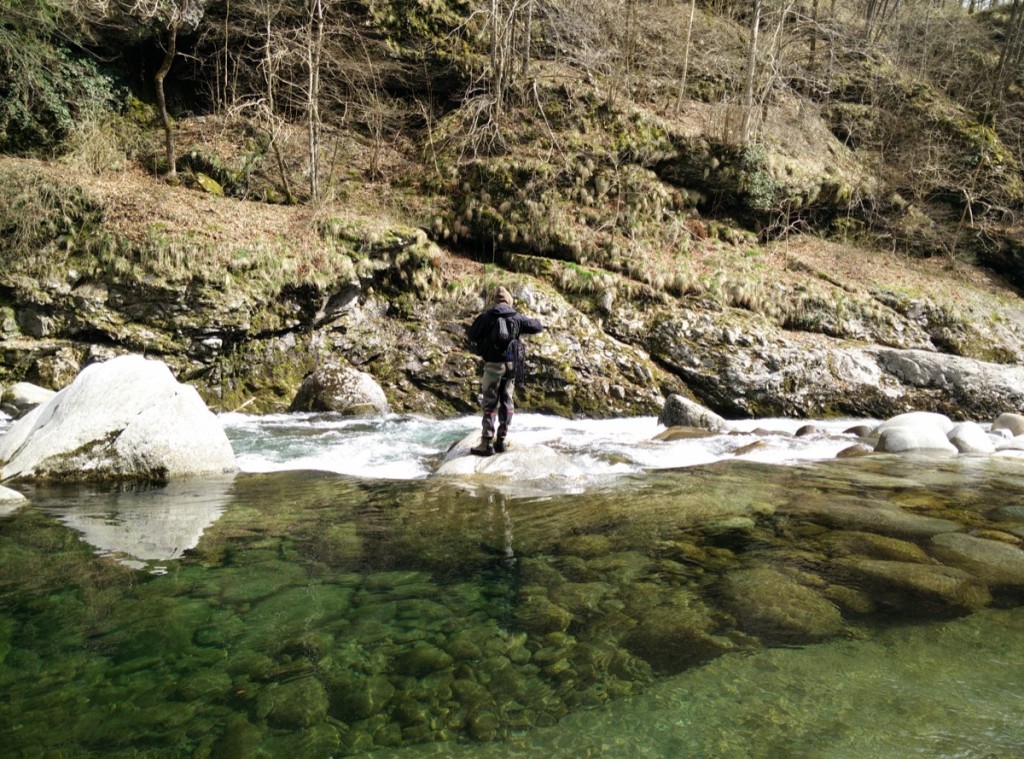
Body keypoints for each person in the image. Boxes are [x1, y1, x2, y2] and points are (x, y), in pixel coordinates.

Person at [466, 285, 544, 456]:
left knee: (489, 404)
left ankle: (486, 443)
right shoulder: (516, 317)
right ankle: (501, 441)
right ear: (509, 301)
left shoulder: (487, 317)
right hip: (511, 367)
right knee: (507, 402)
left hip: (493, 366)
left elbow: (471, 335)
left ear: (495, 301)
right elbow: (537, 327)